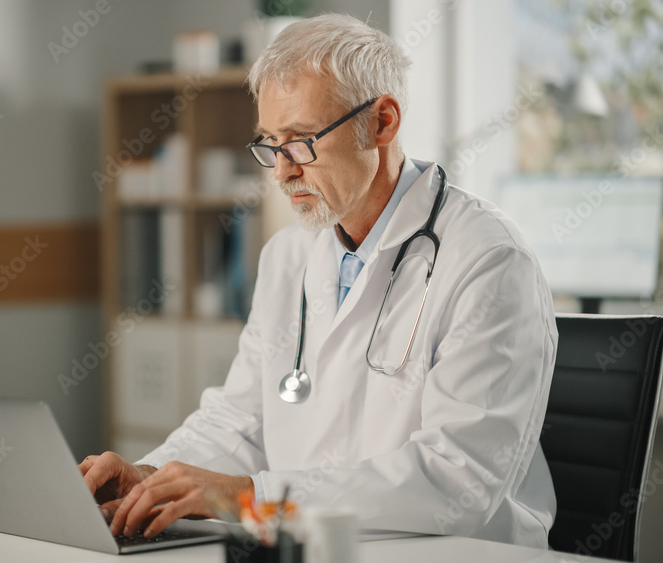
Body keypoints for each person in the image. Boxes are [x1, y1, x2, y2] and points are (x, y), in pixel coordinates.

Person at [80, 13, 557, 549]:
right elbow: (239, 421)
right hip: (318, 548)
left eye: (302, 140)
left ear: (382, 123)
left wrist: (251, 497)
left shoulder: (487, 260)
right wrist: (151, 479)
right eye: (269, 143)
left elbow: (459, 482)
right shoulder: (289, 256)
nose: (281, 171)